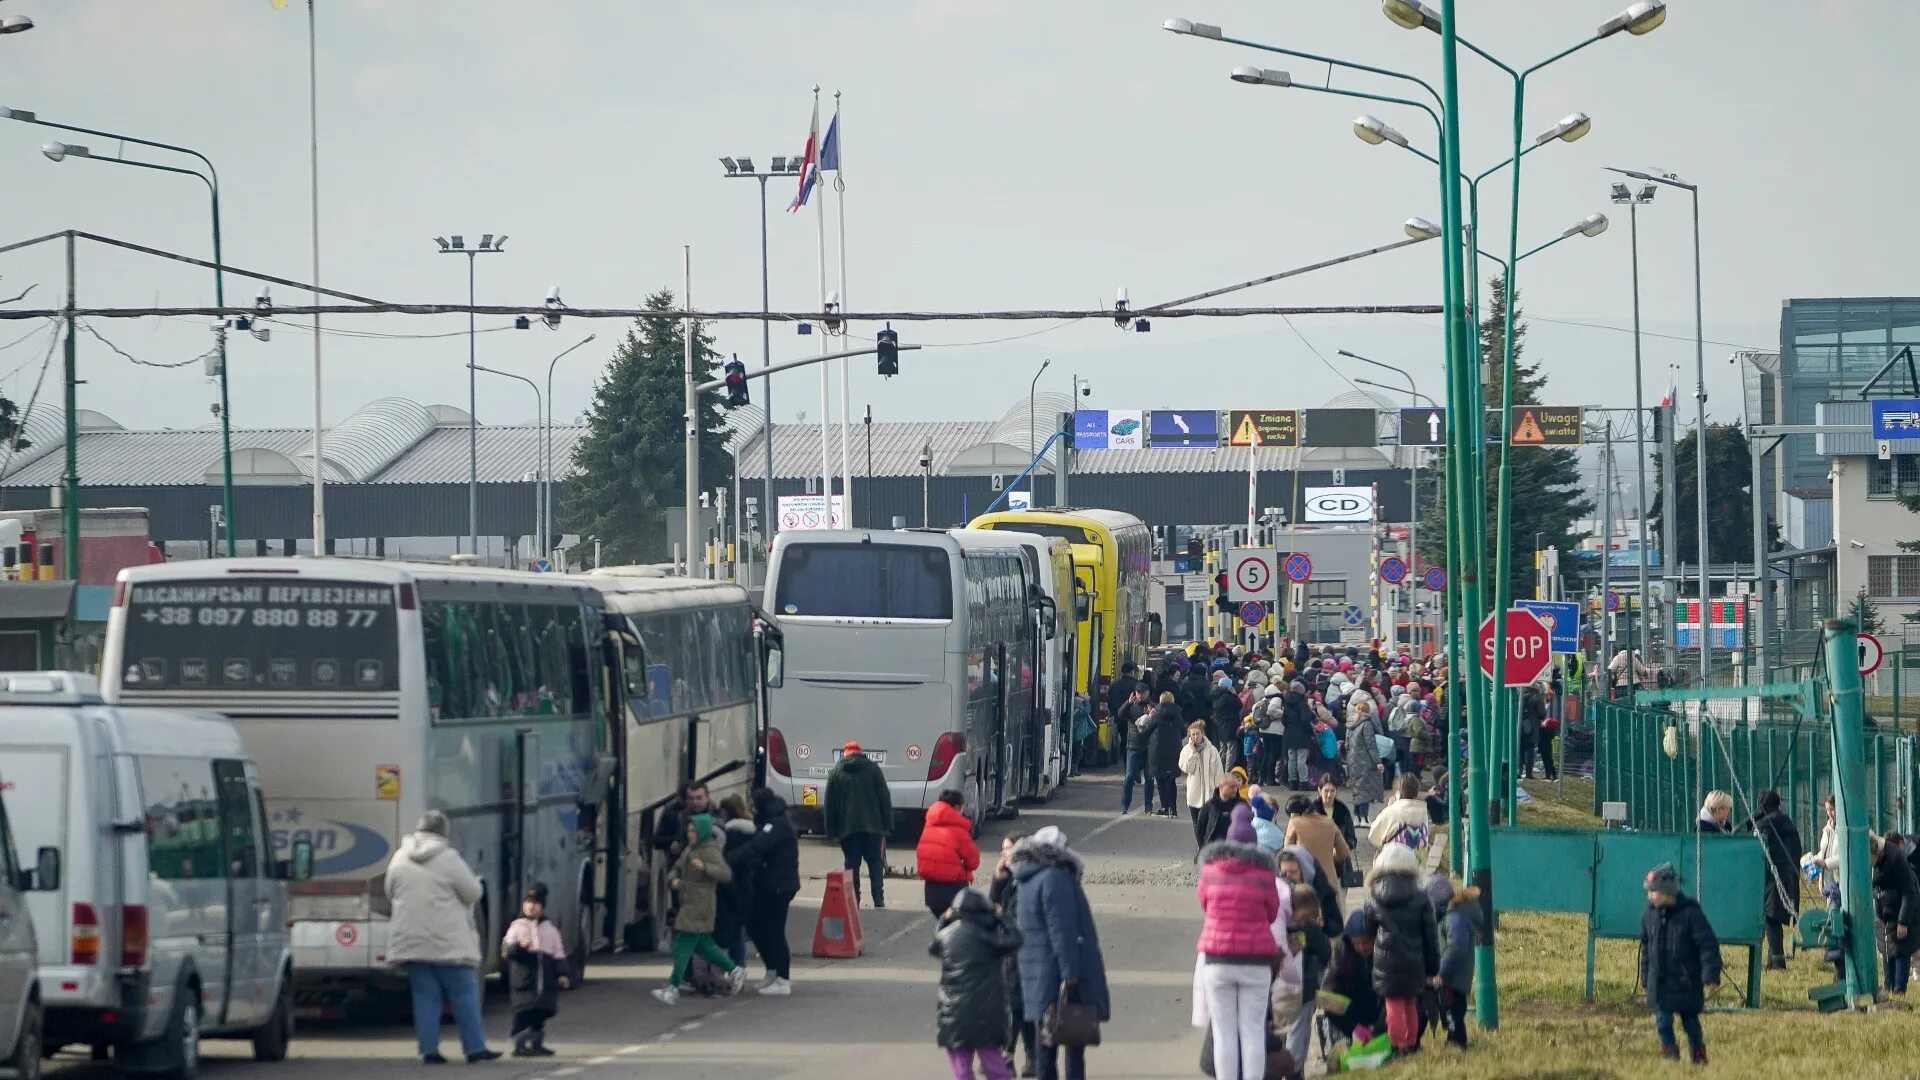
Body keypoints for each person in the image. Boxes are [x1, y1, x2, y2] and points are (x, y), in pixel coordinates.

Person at [384, 810, 500, 1064]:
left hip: (412, 941)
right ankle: (474, 1048)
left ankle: (429, 1051)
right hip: (449, 943)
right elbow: (473, 893)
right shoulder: (449, 858)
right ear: (443, 832)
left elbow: (389, 890)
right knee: (464, 994)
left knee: (425, 997)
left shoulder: (400, 857)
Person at [1012, 827, 1110, 1080]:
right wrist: (1071, 972)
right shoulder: (1055, 878)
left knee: (1045, 1039)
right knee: (1071, 1040)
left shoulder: (1027, 878)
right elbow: (1062, 929)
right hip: (1056, 973)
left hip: (1035, 969)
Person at [1195, 807, 1280, 1080]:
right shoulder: (1266, 876)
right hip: (1256, 961)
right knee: (1253, 1031)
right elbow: (1273, 913)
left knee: (1224, 1033)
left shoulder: (1210, 872)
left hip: (1217, 960)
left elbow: (1205, 904)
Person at [651, 814, 747, 1005]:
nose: (690, 834)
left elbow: (725, 874)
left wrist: (705, 867)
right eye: (689, 830)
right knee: (704, 946)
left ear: (703, 831)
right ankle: (735, 970)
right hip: (689, 903)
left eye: (694, 831)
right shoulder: (690, 849)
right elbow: (676, 868)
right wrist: (673, 879)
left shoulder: (709, 850)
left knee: (682, 946)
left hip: (700, 906)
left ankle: (672, 988)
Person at [931, 888, 1024, 1080]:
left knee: (962, 1069)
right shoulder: (989, 938)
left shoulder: (947, 937)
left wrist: (943, 919)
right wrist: (1002, 917)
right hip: (987, 1013)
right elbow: (1016, 939)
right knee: (995, 1067)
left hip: (953, 1014)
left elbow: (934, 946)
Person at [1639, 862, 1720, 1064]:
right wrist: (1646, 976)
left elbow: (1707, 944)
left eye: (1653, 892)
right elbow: (1646, 950)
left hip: (1687, 982)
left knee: (1690, 1022)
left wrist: (1710, 974)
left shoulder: (1690, 914)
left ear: (1667, 892)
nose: (1650, 897)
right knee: (1663, 1023)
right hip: (1661, 981)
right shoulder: (1649, 916)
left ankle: (1698, 1051)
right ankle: (1669, 1053)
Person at [1365, 843, 1439, 1057]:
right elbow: (1431, 936)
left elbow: (1368, 929)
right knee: (1410, 1002)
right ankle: (1411, 1043)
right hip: (1415, 960)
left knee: (1393, 1004)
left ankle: (1398, 1045)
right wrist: (1433, 967)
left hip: (1386, 962)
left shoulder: (1373, 895)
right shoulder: (1422, 896)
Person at [738, 787, 800, 996]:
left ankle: (783, 979)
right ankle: (772, 971)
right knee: (756, 926)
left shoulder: (776, 824)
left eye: (753, 803)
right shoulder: (768, 820)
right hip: (767, 884)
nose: (751, 808)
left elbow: (757, 846)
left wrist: (730, 858)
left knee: (774, 931)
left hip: (779, 886)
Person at [502, 887, 572, 1057]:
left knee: (540, 1013)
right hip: (523, 981)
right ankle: (519, 1045)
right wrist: (519, 947)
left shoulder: (550, 930)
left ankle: (536, 1044)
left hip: (545, 982)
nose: (531, 907)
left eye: (535, 903)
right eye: (528, 903)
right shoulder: (517, 927)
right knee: (523, 1013)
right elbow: (506, 951)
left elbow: (558, 954)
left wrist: (562, 974)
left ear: (542, 906)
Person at [988, 834, 1037, 1078]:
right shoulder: (1008, 878)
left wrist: (1000, 914)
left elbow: (1012, 916)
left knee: (1017, 1004)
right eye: (1002, 849)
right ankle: (1026, 1055)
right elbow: (993, 906)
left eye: (1008, 849)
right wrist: (997, 879)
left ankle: (1014, 1055)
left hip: (1025, 951)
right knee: (1017, 1004)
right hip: (1008, 950)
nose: (1003, 854)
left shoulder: (1029, 879)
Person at [826, 741, 894, 908]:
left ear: (846, 754)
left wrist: (831, 831)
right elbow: (884, 798)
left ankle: (854, 900)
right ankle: (878, 898)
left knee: (851, 864)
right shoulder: (873, 769)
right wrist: (888, 824)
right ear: (860, 753)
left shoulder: (836, 772)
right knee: (875, 861)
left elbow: (830, 804)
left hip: (847, 828)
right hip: (873, 826)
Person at [1742, 789, 1802, 970]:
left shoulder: (1764, 824)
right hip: (1789, 874)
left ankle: (1777, 961)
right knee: (1773, 917)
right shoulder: (1787, 822)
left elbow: (1755, 849)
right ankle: (1774, 959)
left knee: (1771, 917)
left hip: (1771, 876)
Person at [1424, 875, 1481, 1050]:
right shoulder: (1451, 915)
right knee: (1448, 1009)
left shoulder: (1454, 918)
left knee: (1453, 1011)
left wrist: (1442, 973)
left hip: (1453, 976)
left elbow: (1456, 948)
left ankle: (1457, 1042)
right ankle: (1453, 1039)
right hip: (1452, 975)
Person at [1282, 883, 1330, 1070]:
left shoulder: (1276, 922)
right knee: (1298, 1032)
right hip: (1303, 987)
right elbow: (1325, 953)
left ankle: (1284, 1066)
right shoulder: (1308, 927)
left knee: (1284, 1031)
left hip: (1278, 987)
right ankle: (1294, 1070)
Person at [1321, 911, 1381, 1053]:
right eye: (1356, 943)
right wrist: (1354, 1026)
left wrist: (1378, 1028)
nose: (1361, 947)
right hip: (1353, 1015)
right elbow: (1327, 996)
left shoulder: (1384, 955)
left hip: (1379, 1011)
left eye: (1366, 942)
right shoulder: (1341, 957)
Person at [919, 789, 982, 917]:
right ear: (957, 807)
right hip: (954, 889)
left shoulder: (929, 824)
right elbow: (973, 862)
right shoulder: (959, 830)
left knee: (942, 925)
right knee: (954, 930)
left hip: (931, 889)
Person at [1871, 833, 1920, 996]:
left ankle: (1899, 990)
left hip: (1898, 914)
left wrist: (1903, 921)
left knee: (1900, 951)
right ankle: (1888, 985)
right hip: (1884, 915)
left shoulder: (1896, 861)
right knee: (1887, 951)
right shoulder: (1879, 864)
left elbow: (1909, 893)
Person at [714, 794, 759, 969]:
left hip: (732, 885)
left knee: (730, 931)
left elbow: (726, 861)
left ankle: (732, 968)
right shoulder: (753, 830)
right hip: (747, 886)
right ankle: (740, 967)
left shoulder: (730, 834)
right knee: (739, 929)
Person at [1283, 795, 1351, 887]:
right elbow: (1344, 852)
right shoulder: (1329, 822)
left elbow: (1288, 852)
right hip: (1329, 880)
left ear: (1294, 814)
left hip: (1305, 880)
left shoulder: (1295, 823)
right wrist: (1328, 857)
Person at [1279, 845, 1342, 941]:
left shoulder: (1322, 889)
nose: (1288, 877)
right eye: (1284, 873)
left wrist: (1318, 923)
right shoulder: (1277, 892)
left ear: (1305, 870)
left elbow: (1336, 926)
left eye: (1293, 872)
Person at [1180, 720, 1227, 847]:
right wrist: (1192, 753)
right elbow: (1187, 769)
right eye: (1192, 735)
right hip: (1194, 794)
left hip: (1210, 795)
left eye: (1197, 734)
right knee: (1197, 824)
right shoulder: (1186, 750)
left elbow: (1219, 773)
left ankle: (1206, 848)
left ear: (1203, 733)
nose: (1195, 737)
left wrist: (1220, 792)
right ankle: (1201, 848)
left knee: (1210, 824)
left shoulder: (1212, 750)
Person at [1343, 698, 1385, 824]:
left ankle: (1356, 817)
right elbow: (1370, 744)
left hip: (1352, 760)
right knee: (1365, 790)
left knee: (1357, 789)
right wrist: (1378, 761)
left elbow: (1346, 744)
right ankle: (1365, 818)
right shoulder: (1366, 724)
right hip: (1365, 760)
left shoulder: (1350, 724)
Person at [1147, 692, 1187, 819]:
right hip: (1174, 749)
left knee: (1160, 779)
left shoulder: (1157, 713)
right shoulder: (1177, 713)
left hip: (1158, 749)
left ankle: (1164, 807)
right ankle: (1173, 809)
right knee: (1171, 780)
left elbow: (1147, 731)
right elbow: (1184, 731)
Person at [1118, 683, 1157, 815]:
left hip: (1148, 747)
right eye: (1138, 693)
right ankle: (1124, 805)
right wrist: (1127, 703)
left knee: (1149, 777)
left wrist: (1152, 716)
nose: (1140, 695)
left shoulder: (1153, 706)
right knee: (1129, 776)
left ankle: (1148, 806)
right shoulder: (1131, 705)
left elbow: (1156, 725)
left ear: (1148, 693)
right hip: (1133, 746)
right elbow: (1120, 715)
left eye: (1143, 693)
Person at [1367, 773, 1431, 852]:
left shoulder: (1392, 809)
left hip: (1393, 857)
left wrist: (1389, 807)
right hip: (1416, 859)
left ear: (1398, 792)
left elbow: (1373, 833)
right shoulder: (1423, 811)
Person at [1318, 776, 1358, 885]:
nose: (1329, 795)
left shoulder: (1343, 810)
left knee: (1340, 900)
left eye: (1332, 791)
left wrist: (1342, 847)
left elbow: (1352, 839)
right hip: (1318, 865)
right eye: (1326, 791)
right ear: (1319, 790)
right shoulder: (1312, 810)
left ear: (1336, 791)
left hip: (1340, 865)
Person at [1280, 679, 1315, 791]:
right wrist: (1310, 731)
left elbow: (1283, 720)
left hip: (1289, 734)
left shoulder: (1286, 702)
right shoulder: (1301, 703)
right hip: (1301, 734)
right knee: (1301, 759)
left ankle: (1292, 782)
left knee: (1291, 759)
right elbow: (1305, 719)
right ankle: (1303, 782)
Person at [1198, 776, 1243, 849]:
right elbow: (1200, 829)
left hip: (1235, 851)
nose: (1235, 790)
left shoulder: (1242, 805)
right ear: (1221, 787)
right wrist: (1203, 848)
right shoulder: (1210, 805)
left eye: (1236, 787)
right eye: (1232, 787)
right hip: (1213, 850)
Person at [1518, 681, 1548, 781]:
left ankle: (1518, 771)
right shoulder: (1537, 698)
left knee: (1520, 749)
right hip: (1531, 727)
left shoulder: (1519, 695)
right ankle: (1528, 773)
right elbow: (1542, 714)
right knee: (1529, 748)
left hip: (1518, 726)